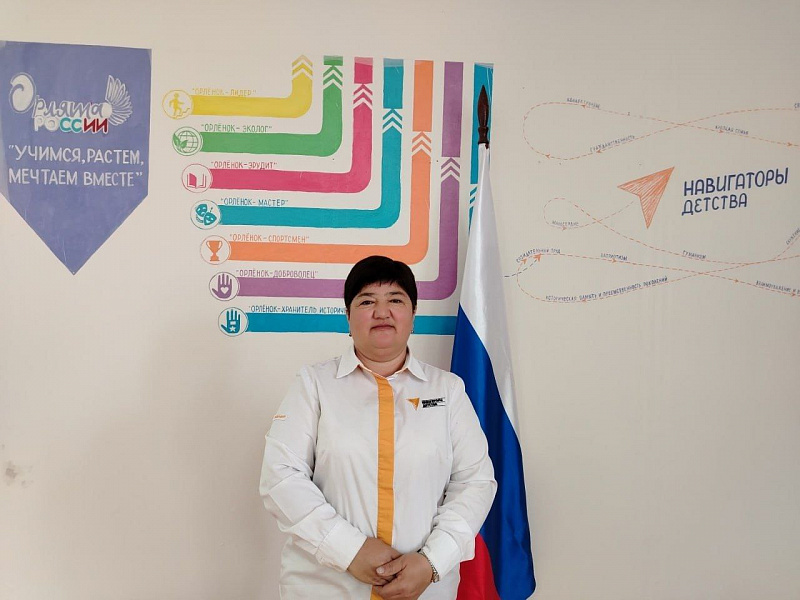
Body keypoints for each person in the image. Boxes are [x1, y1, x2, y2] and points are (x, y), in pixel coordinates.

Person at [260, 256, 496, 599]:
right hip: (327, 587)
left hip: (424, 588)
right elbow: (280, 477)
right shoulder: (314, 384)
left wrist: (432, 561)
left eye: (395, 300)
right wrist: (349, 549)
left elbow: (475, 481)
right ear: (348, 316)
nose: (382, 312)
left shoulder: (447, 390)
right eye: (367, 301)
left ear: (413, 315)